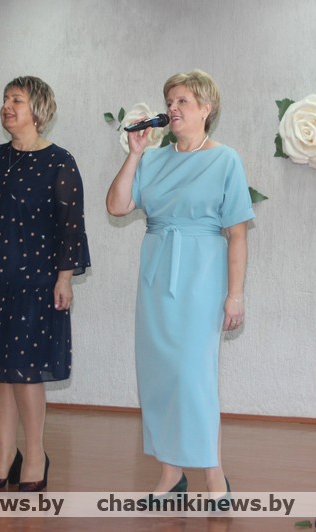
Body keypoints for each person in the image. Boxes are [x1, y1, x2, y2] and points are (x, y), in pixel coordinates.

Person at [106, 69, 254, 497]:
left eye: (182, 101)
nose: (172, 108)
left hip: (202, 276)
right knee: (159, 375)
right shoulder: (153, 158)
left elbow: (237, 235)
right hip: (156, 275)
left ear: (206, 108)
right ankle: (171, 474)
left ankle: (213, 475)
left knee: (194, 377)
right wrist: (135, 153)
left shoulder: (225, 160)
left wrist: (235, 295)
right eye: (169, 101)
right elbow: (117, 206)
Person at [0, 76, 90, 492]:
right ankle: (5, 456)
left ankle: (36, 454)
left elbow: (71, 228)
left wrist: (64, 279)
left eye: (17, 100)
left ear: (38, 110)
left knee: (25, 373)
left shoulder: (59, 161)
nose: (7, 106)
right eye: (5, 99)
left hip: (35, 283)